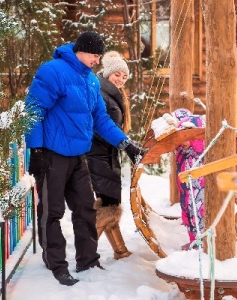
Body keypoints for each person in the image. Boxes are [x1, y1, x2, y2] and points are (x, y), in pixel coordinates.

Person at [25, 31, 145, 286]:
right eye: (94, 55)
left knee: (85, 209)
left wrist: (125, 144)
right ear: (81, 50)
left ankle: (88, 261)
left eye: (99, 56)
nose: (97, 60)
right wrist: (35, 150)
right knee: (52, 211)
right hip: (51, 154)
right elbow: (33, 110)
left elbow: (101, 120)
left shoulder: (91, 82)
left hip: (78, 156)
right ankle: (56, 263)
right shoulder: (53, 72)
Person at [87, 51, 132, 259]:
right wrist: (122, 143)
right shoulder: (101, 94)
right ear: (107, 73)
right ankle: (85, 254)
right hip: (99, 155)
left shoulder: (114, 94)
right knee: (108, 205)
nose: (121, 80)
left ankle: (120, 250)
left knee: (109, 204)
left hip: (108, 154)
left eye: (124, 76)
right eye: (117, 75)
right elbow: (99, 127)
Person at [173, 108, 205, 251]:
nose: (183, 140)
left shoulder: (199, 151)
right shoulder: (181, 150)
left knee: (199, 217)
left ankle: (201, 243)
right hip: (186, 191)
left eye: (187, 136)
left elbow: (200, 146)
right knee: (188, 216)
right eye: (181, 135)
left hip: (198, 193)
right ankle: (193, 241)